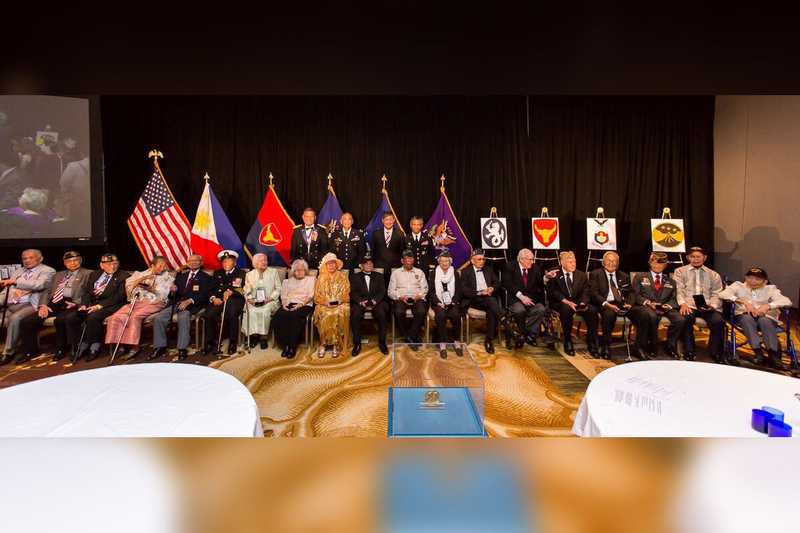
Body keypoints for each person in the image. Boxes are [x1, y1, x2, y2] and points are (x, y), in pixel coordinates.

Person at [16, 251, 92, 364]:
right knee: (27, 321)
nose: (73, 263)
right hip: (54, 303)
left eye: (76, 260)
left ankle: (62, 349)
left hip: (72, 303)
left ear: (80, 261)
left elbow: (89, 292)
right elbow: (47, 291)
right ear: (65, 263)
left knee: (60, 320)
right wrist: (43, 305)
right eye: (69, 261)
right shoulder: (58, 274)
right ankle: (30, 351)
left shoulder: (89, 273)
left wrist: (77, 303)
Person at [719, 267, 793, 369]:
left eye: (757, 279)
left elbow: (786, 301)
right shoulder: (738, 285)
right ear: (745, 277)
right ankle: (758, 353)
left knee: (764, 321)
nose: (753, 281)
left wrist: (768, 306)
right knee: (747, 319)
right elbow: (723, 294)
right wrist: (743, 302)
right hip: (744, 316)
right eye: (750, 278)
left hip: (765, 317)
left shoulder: (770, 288)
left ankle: (773, 356)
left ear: (765, 281)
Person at [106, 256, 173, 361]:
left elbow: (163, 296)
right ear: (152, 266)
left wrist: (152, 289)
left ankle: (134, 347)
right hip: (138, 302)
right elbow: (129, 290)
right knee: (116, 316)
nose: (162, 268)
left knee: (134, 316)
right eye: (160, 266)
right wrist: (140, 281)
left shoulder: (167, 277)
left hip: (155, 302)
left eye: (164, 266)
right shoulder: (140, 274)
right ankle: (121, 345)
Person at [149, 254, 213, 361]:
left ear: (201, 263)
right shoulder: (181, 276)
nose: (192, 262)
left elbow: (205, 295)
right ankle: (160, 347)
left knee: (183, 317)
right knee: (159, 318)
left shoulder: (206, 277)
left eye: (195, 260)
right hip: (177, 303)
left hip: (193, 305)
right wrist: (172, 291)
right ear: (187, 263)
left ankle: (182, 348)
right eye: (190, 261)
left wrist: (190, 300)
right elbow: (173, 295)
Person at [0, 249, 55, 364]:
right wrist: (11, 292)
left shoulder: (48, 271)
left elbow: (39, 285)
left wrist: (16, 283)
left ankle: (8, 352)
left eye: (31, 257)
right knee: (5, 319)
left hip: (31, 304)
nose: (27, 260)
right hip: (11, 303)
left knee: (15, 319)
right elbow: (6, 290)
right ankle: (17, 345)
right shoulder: (18, 271)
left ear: (40, 259)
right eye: (24, 258)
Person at [73, 254, 130, 362]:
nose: (112, 267)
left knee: (93, 317)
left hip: (113, 305)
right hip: (93, 304)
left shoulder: (124, 275)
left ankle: (94, 345)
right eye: (109, 264)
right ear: (101, 265)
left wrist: (100, 306)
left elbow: (120, 296)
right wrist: (83, 305)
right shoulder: (95, 274)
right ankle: (79, 344)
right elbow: (87, 292)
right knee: (76, 315)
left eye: (115, 264)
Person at [673, 246, 726, 363]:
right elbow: (678, 290)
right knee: (686, 319)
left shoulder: (713, 274)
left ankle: (715, 352)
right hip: (689, 305)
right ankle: (689, 351)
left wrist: (712, 305)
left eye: (698, 257)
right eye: (692, 256)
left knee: (718, 321)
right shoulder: (680, 271)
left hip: (707, 305)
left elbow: (717, 293)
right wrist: (682, 304)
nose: (695, 259)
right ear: (688, 258)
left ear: (704, 258)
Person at [629, 252, 685, 360]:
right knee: (651, 316)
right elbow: (634, 295)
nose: (658, 266)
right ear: (650, 263)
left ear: (665, 265)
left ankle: (670, 346)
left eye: (661, 264)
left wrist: (668, 305)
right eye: (655, 263)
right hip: (646, 306)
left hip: (664, 307)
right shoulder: (640, 277)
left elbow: (674, 298)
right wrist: (647, 302)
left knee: (680, 320)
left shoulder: (671, 281)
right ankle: (651, 345)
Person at [546, 251, 599, 357]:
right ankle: (568, 341)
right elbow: (552, 291)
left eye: (574, 262)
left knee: (592, 311)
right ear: (562, 263)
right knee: (566, 310)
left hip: (578, 302)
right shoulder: (554, 273)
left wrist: (583, 302)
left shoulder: (581, 275)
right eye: (570, 262)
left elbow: (586, 291)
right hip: (561, 302)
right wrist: (565, 301)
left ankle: (591, 342)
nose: (573, 264)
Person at [588, 251, 633, 359]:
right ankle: (606, 346)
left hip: (621, 303)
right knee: (609, 314)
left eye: (614, 261)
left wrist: (630, 303)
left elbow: (631, 292)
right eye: (609, 260)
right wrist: (606, 304)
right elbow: (593, 293)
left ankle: (641, 346)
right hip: (604, 303)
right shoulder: (595, 274)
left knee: (642, 313)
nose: (611, 263)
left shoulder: (624, 275)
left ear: (617, 263)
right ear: (603, 262)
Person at [204, 250, 246, 356]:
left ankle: (232, 342)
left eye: (229, 261)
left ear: (235, 263)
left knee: (232, 313)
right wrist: (213, 298)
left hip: (235, 300)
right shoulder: (217, 273)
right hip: (219, 300)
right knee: (209, 314)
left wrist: (231, 291)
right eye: (224, 262)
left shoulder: (241, 273)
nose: (226, 264)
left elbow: (243, 289)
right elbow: (211, 289)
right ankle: (210, 342)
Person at [459, 248, 501, 354]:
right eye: (479, 259)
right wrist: (480, 292)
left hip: (487, 299)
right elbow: (464, 290)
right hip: (474, 299)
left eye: (483, 259)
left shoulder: (488, 269)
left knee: (491, 309)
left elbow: (497, 283)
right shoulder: (465, 271)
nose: (482, 261)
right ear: (472, 261)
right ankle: (503, 317)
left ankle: (488, 340)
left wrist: (492, 288)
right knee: (492, 302)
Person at [503, 248, 546, 347]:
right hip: (515, 298)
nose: (532, 262)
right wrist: (521, 297)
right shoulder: (510, 267)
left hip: (530, 298)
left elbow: (540, 284)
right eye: (530, 259)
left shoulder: (535, 268)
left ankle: (529, 335)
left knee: (540, 309)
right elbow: (507, 284)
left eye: (533, 259)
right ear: (521, 259)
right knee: (519, 310)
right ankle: (523, 333)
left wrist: (546, 278)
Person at [273, 259, 316, 358]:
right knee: (279, 316)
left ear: (305, 270)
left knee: (293, 316)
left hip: (304, 304)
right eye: (297, 270)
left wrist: (300, 304)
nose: (299, 272)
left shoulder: (311, 280)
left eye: (302, 270)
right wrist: (284, 304)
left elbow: (311, 295)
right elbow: (283, 295)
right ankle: (285, 345)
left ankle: (292, 346)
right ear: (293, 271)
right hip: (288, 303)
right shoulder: (287, 281)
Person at [349, 252, 389, 356]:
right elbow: (352, 292)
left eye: (371, 264)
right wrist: (360, 301)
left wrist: (375, 301)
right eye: (366, 264)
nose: (369, 265)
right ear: (361, 266)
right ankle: (357, 344)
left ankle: (382, 342)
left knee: (382, 313)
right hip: (361, 302)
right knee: (355, 313)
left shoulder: (379, 276)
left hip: (377, 302)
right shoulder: (355, 276)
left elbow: (382, 291)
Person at [313, 253, 351, 358]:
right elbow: (317, 295)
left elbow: (346, 292)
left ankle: (336, 344)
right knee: (325, 313)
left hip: (340, 303)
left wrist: (339, 301)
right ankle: (323, 343)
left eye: (333, 263)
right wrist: (325, 302)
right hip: (324, 304)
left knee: (341, 312)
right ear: (325, 265)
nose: (331, 266)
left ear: (336, 265)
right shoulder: (320, 277)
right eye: (328, 264)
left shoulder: (343, 276)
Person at [388, 249, 428, 346]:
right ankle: (410, 336)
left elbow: (425, 288)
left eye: (411, 260)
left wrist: (419, 296)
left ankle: (410, 336)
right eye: (407, 260)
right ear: (402, 261)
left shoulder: (420, 272)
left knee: (421, 311)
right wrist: (400, 297)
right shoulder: (396, 273)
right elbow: (390, 291)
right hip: (401, 298)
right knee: (399, 312)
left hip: (416, 298)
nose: (409, 262)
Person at [428, 250, 463, 359]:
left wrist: (453, 301)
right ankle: (442, 344)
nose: (444, 263)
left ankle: (456, 342)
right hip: (438, 302)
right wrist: (438, 302)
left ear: (450, 262)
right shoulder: (433, 273)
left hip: (452, 302)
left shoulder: (455, 273)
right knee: (441, 315)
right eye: (442, 261)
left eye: (446, 261)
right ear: (439, 262)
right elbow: (431, 291)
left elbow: (459, 291)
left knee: (456, 315)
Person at [242, 253, 281, 350]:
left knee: (264, 311)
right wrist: (250, 299)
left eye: (265, 260)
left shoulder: (273, 272)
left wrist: (270, 298)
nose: (264, 262)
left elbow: (279, 288)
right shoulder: (249, 274)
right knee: (250, 311)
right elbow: (246, 289)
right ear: (255, 263)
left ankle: (263, 337)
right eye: (261, 260)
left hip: (270, 300)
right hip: (254, 301)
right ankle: (253, 336)